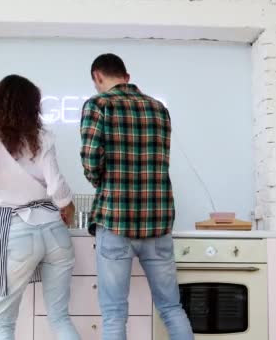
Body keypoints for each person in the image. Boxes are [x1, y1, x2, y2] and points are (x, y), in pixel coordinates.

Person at [0, 74, 80, 340]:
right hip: (55, 229)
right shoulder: (41, 135)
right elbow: (57, 187)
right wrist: (69, 207)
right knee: (60, 318)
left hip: (17, 230)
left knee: (3, 321)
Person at [80, 54, 194, 340]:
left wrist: (105, 184)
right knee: (171, 307)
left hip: (116, 221)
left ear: (97, 76)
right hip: (157, 223)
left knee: (115, 313)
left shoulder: (98, 105)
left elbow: (91, 162)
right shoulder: (159, 109)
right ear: (127, 77)